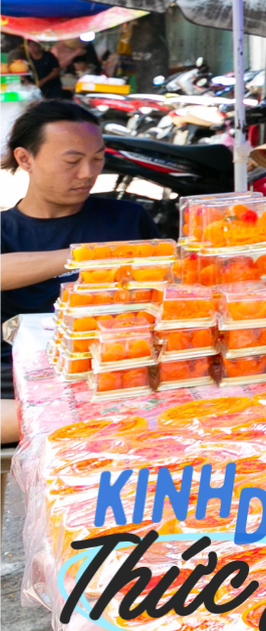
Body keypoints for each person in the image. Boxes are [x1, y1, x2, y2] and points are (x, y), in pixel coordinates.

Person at [2, 100, 157, 412]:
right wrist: (94, 255)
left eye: (97, 159)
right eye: (72, 161)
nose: (88, 173)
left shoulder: (127, 218)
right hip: (18, 378)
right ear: (25, 158)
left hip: (117, 370)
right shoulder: (5, 230)